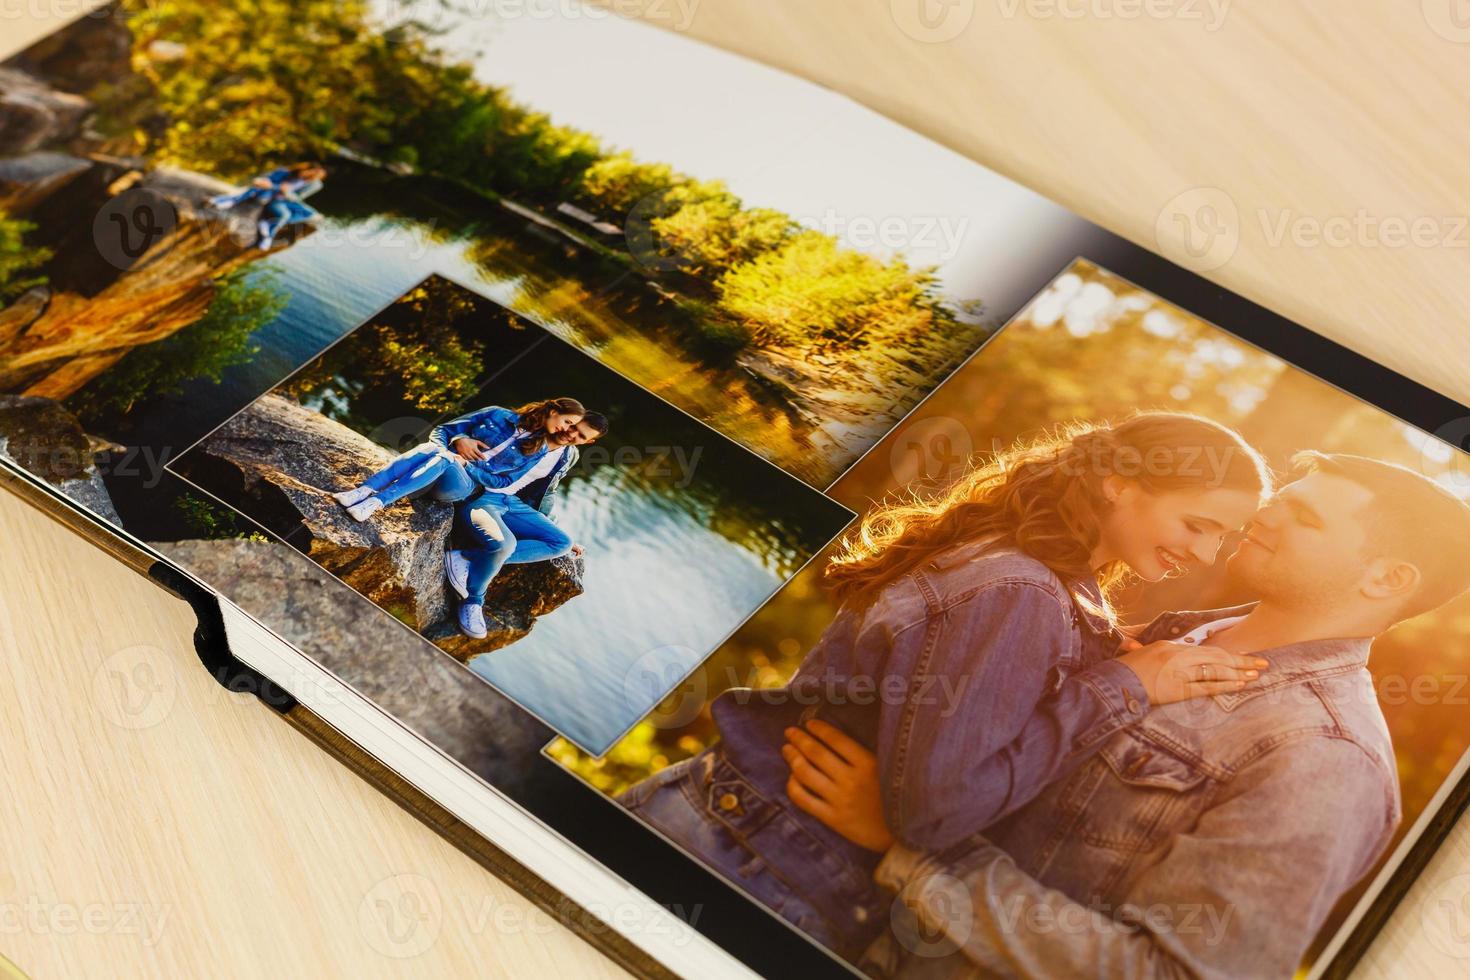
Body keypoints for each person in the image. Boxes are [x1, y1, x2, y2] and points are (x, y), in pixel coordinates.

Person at [782, 452, 1470, 978]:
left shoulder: (1326, 759)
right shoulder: (1154, 635)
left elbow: (1169, 971)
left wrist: (911, 852)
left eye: (1305, 518)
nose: (1263, 516)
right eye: (1279, 501)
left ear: (1386, 579)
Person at [618, 413, 1273, 958]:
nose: (1209, 555)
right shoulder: (1021, 590)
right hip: (746, 867)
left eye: (1225, 537)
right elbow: (935, 813)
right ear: (1119, 485)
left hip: (742, 840)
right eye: (1197, 524)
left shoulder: (1039, 576)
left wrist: (1102, 664)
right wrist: (1121, 686)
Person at [443, 411, 609, 640]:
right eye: (573, 427)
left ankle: (467, 557)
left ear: (588, 442)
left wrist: (547, 525)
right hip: (483, 497)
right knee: (504, 545)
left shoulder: (569, 455)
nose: (571, 435)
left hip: (511, 503)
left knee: (561, 542)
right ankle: (473, 601)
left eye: (580, 436)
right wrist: (459, 438)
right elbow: (481, 428)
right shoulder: (533, 429)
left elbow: (548, 491)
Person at [330, 397, 587, 522]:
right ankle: (363, 492)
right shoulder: (496, 414)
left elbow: (503, 480)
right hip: (433, 468)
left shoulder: (539, 449)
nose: (567, 430)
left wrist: (466, 464)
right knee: (435, 450)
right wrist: (456, 441)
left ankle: (375, 502)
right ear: (553, 412)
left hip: (463, 488)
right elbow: (441, 432)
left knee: (443, 458)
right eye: (567, 422)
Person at [209, 162, 327, 249]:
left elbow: (297, 197)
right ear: (305, 168)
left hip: (285, 200)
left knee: (310, 213)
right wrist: (265, 183)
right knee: (283, 214)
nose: (310, 176)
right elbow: (266, 180)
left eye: (314, 176)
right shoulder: (285, 172)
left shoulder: (311, 184)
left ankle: (267, 226)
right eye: (311, 172)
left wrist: (285, 191)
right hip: (272, 199)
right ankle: (268, 231)